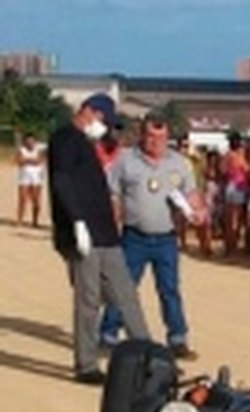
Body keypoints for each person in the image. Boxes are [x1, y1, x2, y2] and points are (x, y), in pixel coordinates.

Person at [48, 93, 151, 385]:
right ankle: (86, 364)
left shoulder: (87, 143)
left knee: (126, 295)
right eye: (104, 120)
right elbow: (62, 181)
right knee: (88, 299)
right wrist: (77, 221)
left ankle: (148, 357)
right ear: (90, 112)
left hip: (106, 233)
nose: (105, 128)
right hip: (85, 234)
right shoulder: (66, 139)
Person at [98, 113, 206, 361]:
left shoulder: (181, 163)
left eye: (161, 136)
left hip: (166, 239)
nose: (155, 141)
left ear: (168, 136)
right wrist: (109, 230)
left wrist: (197, 211)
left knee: (169, 289)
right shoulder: (125, 161)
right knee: (123, 288)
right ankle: (108, 334)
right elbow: (112, 195)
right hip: (134, 237)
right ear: (141, 134)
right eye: (150, 135)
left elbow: (191, 193)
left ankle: (177, 339)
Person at [221, 133, 249, 255]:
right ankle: (233, 247)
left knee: (229, 218)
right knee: (235, 219)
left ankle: (229, 246)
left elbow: (222, 170)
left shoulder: (226, 155)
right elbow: (246, 169)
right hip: (239, 186)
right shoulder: (239, 156)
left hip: (229, 185)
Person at [15, 133, 47, 228]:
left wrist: (26, 160)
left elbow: (39, 161)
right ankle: (19, 220)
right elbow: (18, 161)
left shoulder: (39, 150)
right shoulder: (21, 150)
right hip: (24, 177)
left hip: (36, 178)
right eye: (28, 141)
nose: (30, 143)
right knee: (22, 199)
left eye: (32, 141)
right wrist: (30, 160)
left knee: (36, 200)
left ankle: (35, 221)